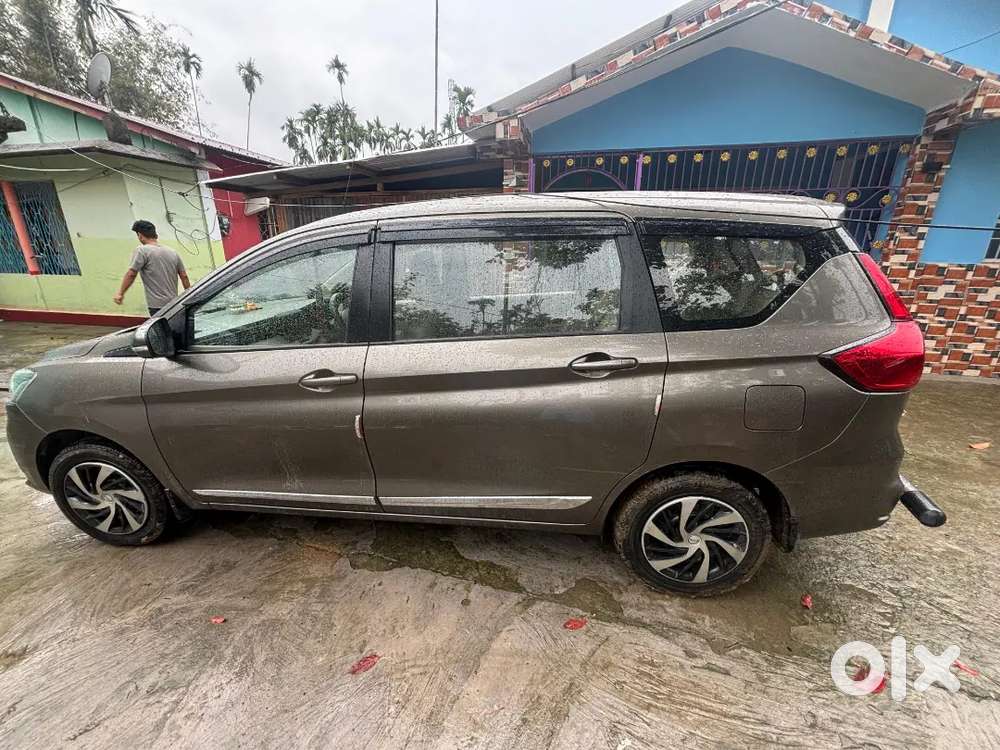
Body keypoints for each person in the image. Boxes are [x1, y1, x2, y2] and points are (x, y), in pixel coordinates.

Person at [114, 220, 190, 316]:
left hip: (156, 305)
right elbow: (184, 276)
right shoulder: (172, 252)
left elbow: (132, 273)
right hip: (174, 303)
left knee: (160, 330)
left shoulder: (142, 251)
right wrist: (189, 296)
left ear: (140, 235)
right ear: (155, 234)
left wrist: (120, 293)